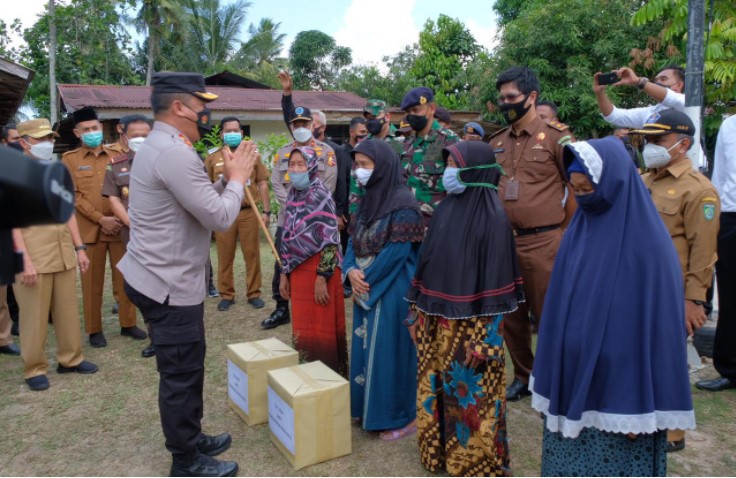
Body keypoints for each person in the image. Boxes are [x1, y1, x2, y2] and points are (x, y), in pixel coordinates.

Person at [531, 137, 696, 476]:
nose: (582, 197)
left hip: (623, 400)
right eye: (575, 189)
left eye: (588, 188)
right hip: (575, 377)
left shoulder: (650, 247)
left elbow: (660, 334)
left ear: (614, 183)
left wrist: (640, 406)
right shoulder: (578, 233)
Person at [118, 72, 255, 477]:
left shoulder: (164, 145)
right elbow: (222, 217)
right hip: (168, 285)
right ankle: (186, 460)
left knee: (188, 364)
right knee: (180, 373)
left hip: (156, 275)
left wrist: (219, 180)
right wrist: (237, 179)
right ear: (180, 107)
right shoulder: (174, 152)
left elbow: (192, 201)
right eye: (202, 107)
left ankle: (191, 436)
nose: (206, 116)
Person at [406, 141, 525, 476]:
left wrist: (487, 341)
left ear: (474, 171)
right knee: (435, 391)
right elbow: (425, 265)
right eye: (447, 165)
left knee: (472, 401)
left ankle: (474, 464)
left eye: (454, 165)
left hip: (472, 333)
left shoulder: (494, 220)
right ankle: (439, 456)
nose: (448, 173)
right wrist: (414, 311)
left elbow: (498, 290)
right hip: (433, 324)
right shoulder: (444, 211)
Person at [628, 110, 719, 452]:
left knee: (669, 359)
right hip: (639, 286)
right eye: (648, 140)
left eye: (659, 140)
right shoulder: (645, 179)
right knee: (640, 355)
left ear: (683, 144)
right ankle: (643, 416)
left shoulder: (699, 190)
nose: (650, 146)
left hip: (672, 292)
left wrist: (693, 300)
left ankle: (674, 431)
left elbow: (704, 252)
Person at [490, 66, 575, 401]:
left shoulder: (557, 138)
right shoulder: (496, 141)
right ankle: (524, 376)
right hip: (504, 242)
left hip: (545, 242)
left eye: (512, 97)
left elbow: (578, 187)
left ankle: (555, 380)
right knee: (511, 317)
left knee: (550, 316)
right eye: (502, 98)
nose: (506, 103)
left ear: (532, 97)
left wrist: (565, 231)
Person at [343, 139, 424, 440]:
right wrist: (350, 271)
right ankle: (367, 409)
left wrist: (365, 280)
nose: (358, 171)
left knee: (391, 352)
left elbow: (396, 254)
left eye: (365, 165)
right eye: (357, 165)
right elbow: (352, 240)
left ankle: (401, 415)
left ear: (384, 166)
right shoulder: (366, 200)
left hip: (392, 289)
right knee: (367, 350)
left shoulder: (404, 203)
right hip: (366, 285)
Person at [11, 118, 97, 391]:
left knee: (68, 311)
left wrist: (80, 247)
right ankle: (34, 367)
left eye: (49, 139)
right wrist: (22, 259)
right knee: (33, 316)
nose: (47, 144)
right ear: (24, 142)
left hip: (62, 252)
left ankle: (70, 359)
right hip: (32, 254)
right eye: (40, 140)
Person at [62, 106, 147, 348]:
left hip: (120, 226)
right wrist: (101, 219)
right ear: (78, 133)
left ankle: (128, 323)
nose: (92, 132)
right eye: (86, 129)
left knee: (125, 278)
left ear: (101, 128)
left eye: (95, 128)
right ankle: (94, 329)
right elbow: (74, 196)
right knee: (92, 284)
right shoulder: (70, 160)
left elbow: (126, 188)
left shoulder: (117, 154)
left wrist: (117, 218)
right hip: (91, 231)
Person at [263, 104, 337, 330]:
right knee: (282, 263)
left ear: (312, 125)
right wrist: (294, 205)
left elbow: (329, 182)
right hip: (289, 218)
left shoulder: (326, 152)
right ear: (291, 126)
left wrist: (307, 207)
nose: (301, 127)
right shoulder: (283, 153)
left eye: (305, 123)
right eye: (296, 124)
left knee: (314, 262)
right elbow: (276, 182)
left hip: (316, 218)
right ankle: (282, 307)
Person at [278, 147, 347, 375]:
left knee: (322, 327)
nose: (296, 169)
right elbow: (286, 236)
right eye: (292, 164)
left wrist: (321, 278)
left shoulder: (321, 194)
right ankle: (306, 378)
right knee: (303, 327)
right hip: (298, 270)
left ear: (312, 167)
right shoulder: (292, 195)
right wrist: (284, 274)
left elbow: (330, 240)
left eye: (301, 164)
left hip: (320, 270)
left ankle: (328, 380)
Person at [101, 114, 155, 358]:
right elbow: (113, 198)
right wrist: (130, 222)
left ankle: (164, 332)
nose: (141, 140)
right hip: (132, 233)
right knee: (141, 284)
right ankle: (154, 334)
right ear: (124, 136)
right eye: (135, 136)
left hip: (163, 233)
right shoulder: (117, 164)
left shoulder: (163, 161)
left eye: (146, 135)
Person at [205, 117, 270, 312]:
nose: (232, 133)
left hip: (247, 211)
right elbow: (207, 188)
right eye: (228, 130)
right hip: (224, 212)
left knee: (252, 254)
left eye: (235, 130)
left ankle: (254, 293)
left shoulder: (252, 155)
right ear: (222, 134)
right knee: (225, 254)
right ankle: (226, 294)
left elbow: (262, 183)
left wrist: (266, 211)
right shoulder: (213, 157)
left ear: (241, 133)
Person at [593, 64, 705, 169]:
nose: (657, 83)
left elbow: (670, 98)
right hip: (659, 172)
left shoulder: (688, 104)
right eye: (656, 80)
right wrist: (599, 93)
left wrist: (638, 81)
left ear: (679, 85)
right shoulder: (651, 112)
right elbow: (613, 116)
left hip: (690, 170)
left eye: (663, 79)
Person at [696, 114, 736, 393]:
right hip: (732, 216)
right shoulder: (729, 125)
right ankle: (730, 369)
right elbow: (720, 175)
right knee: (731, 295)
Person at [400, 87, 460, 228]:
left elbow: (458, 190)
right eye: (408, 112)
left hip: (437, 226)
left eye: (416, 110)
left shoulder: (450, 141)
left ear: (431, 109)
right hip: (405, 226)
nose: (411, 115)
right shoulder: (406, 144)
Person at [337, 116, 368, 297]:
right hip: (349, 208)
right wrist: (339, 212)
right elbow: (341, 181)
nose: (363, 136)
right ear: (351, 132)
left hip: (367, 208)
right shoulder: (343, 152)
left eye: (366, 133)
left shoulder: (367, 149)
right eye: (361, 132)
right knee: (347, 243)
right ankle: (348, 281)